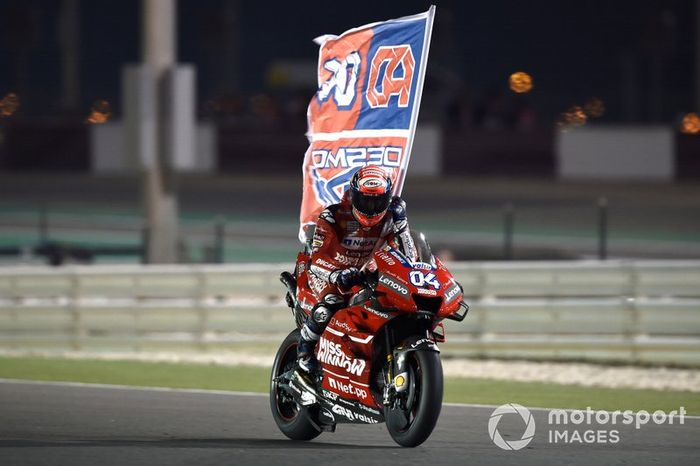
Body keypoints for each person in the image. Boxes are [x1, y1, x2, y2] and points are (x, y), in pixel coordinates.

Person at [296, 166, 417, 375]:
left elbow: (411, 259)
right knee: (330, 304)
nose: (371, 208)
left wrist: (402, 225)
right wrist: (335, 274)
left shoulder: (390, 219)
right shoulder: (333, 215)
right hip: (329, 272)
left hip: (364, 274)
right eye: (365, 201)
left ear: (387, 199)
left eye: (377, 201)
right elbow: (316, 258)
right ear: (353, 195)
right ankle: (304, 352)